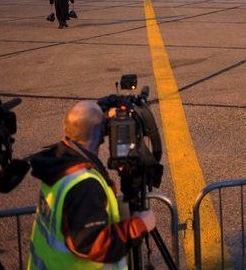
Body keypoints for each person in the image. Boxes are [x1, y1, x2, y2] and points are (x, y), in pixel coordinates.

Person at [27, 101, 156, 269]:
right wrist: (138, 226)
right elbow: (91, 242)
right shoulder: (84, 184)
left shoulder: (59, 164)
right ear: (101, 134)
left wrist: (98, 118)